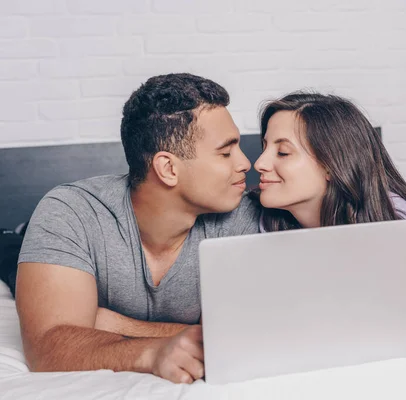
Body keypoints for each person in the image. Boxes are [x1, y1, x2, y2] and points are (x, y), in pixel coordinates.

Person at [16, 73, 260, 384]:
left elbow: (250, 336)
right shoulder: (68, 212)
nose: (245, 163)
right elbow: (47, 347)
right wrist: (151, 352)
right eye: (226, 153)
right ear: (168, 168)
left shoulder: (246, 219)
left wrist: (109, 321)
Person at [253, 92, 406, 316]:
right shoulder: (262, 219)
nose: (260, 163)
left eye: (283, 152)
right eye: (264, 148)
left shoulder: (394, 219)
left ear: (331, 164)